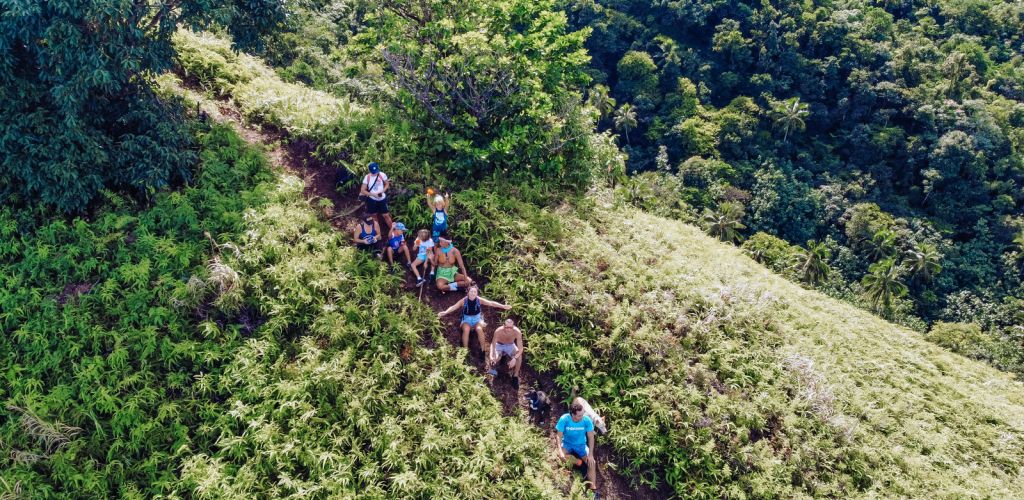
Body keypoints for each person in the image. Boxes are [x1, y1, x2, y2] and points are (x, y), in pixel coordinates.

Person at [437, 285, 510, 356]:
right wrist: (445, 312)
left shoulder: (479, 300)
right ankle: (465, 351)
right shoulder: (463, 300)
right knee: (466, 330)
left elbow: (491, 303)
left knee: (479, 329)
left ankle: (483, 350)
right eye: (471, 291)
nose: (473, 293)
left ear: (477, 293)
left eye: (474, 292)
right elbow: (454, 307)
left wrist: (503, 306)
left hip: (477, 319)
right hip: (466, 319)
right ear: (468, 292)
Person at [556, 402, 599, 498]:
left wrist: (591, 455)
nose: (582, 416)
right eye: (579, 415)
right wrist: (560, 451)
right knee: (560, 456)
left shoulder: (586, 420)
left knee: (592, 463)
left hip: (581, 446)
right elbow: (558, 436)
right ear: (572, 414)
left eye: (583, 414)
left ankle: (593, 488)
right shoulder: (564, 419)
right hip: (567, 444)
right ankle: (577, 461)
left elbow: (591, 437)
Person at [487, 318, 524, 388]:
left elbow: (521, 348)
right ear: (504, 325)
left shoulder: (517, 332)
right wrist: (492, 355)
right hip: (499, 345)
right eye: (507, 327)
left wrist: (514, 358)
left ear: (513, 326)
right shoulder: (498, 331)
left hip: (510, 345)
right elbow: (493, 344)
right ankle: (492, 369)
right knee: (495, 358)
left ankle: (515, 376)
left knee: (519, 357)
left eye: (511, 327)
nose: (509, 329)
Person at [360, 162, 392, 231]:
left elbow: (387, 184)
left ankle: (392, 231)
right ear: (370, 171)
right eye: (373, 172)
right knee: (374, 215)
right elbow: (362, 190)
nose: (375, 173)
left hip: (382, 198)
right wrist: (373, 195)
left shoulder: (382, 175)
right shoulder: (367, 177)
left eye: (376, 171)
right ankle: (378, 231)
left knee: (386, 215)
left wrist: (383, 191)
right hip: (372, 199)